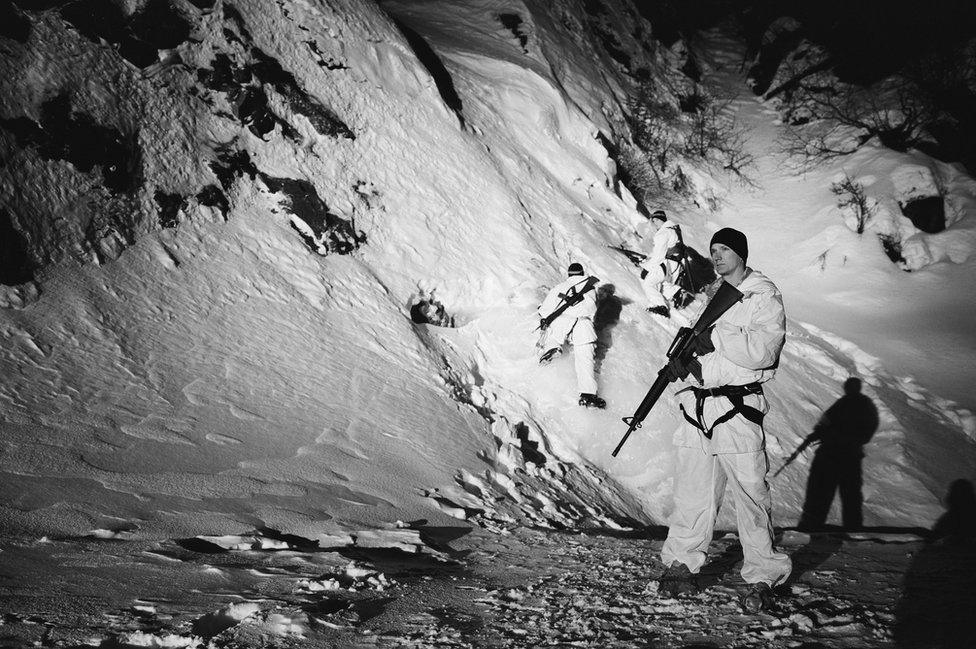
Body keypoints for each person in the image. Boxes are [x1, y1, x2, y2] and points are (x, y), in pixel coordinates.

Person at [658, 227, 791, 613]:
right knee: (692, 493)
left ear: (742, 255)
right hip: (699, 408)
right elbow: (710, 355)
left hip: (738, 409)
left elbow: (763, 352)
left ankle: (765, 575)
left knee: (751, 497)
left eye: (724, 250)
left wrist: (717, 337)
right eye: (713, 250)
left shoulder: (764, 296)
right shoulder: (715, 296)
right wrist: (688, 364)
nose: (716, 256)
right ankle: (682, 562)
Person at [797, 377, 878, 531]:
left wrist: (825, 436)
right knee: (850, 494)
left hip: (832, 455)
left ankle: (811, 526)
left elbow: (824, 425)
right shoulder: (864, 405)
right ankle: (852, 528)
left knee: (821, 491)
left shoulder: (843, 404)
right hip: (849, 456)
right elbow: (868, 429)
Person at [537, 263, 606, 409]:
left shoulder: (558, 288)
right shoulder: (590, 288)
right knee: (584, 359)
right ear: (582, 273)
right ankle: (587, 395)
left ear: (569, 274)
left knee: (553, 334)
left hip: (561, 323)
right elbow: (591, 308)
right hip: (582, 325)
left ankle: (553, 347)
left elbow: (544, 311)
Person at [639, 210, 689, 317]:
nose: (654, 224)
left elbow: (658, 255)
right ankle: (677, 292)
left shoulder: (663, 233)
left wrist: (647, 267)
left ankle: (661, 307)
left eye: (655, 221)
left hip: (667, 264)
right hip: (676, 265)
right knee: (662, 285)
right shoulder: (673, 230)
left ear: (659, 219)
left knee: (648, 283)